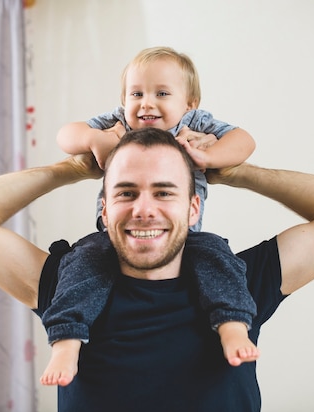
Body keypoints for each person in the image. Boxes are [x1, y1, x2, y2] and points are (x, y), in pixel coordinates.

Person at [0, 127, 314, 412]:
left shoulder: (238, 285)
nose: (144, 209)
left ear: (193, 207)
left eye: (164, 192)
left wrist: (237, 172)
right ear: (104, 208)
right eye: (126, 192)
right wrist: (70, 169)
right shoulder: (69, 287)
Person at [43, 46, 258, 386]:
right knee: (80, 266)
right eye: (137, 93)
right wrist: (94, 138)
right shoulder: (118, 124)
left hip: (186, 238)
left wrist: (211, 157)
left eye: (161, 93)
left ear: (190, 103)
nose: (146, 103)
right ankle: (66, 342)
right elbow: (64, 135)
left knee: (219, 259)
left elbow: (244, 141)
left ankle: (232, 326)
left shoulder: (195, 125)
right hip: (112, 237)